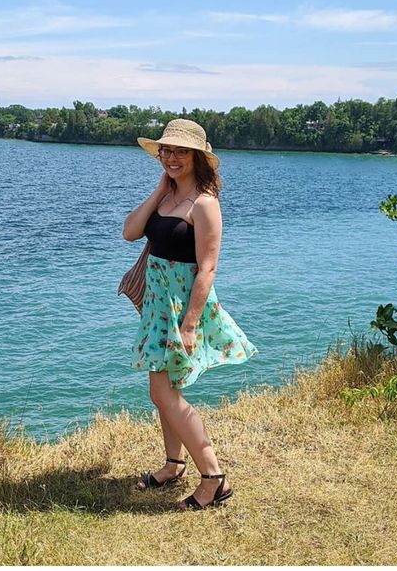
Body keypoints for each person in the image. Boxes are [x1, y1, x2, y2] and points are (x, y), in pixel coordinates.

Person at [121, 118, 257, 510]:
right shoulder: (166, 197)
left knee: (161, 392)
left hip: (182, 310)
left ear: (198, 157)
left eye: (180, 151)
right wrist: (160, 188)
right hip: (156, 308)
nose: (171, 157)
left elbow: (208, 267)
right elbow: (130, 232)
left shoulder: (205, 203)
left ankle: (213, 477)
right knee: (166, 394)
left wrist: (191, 323)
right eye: (166, 151)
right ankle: (173, 463)